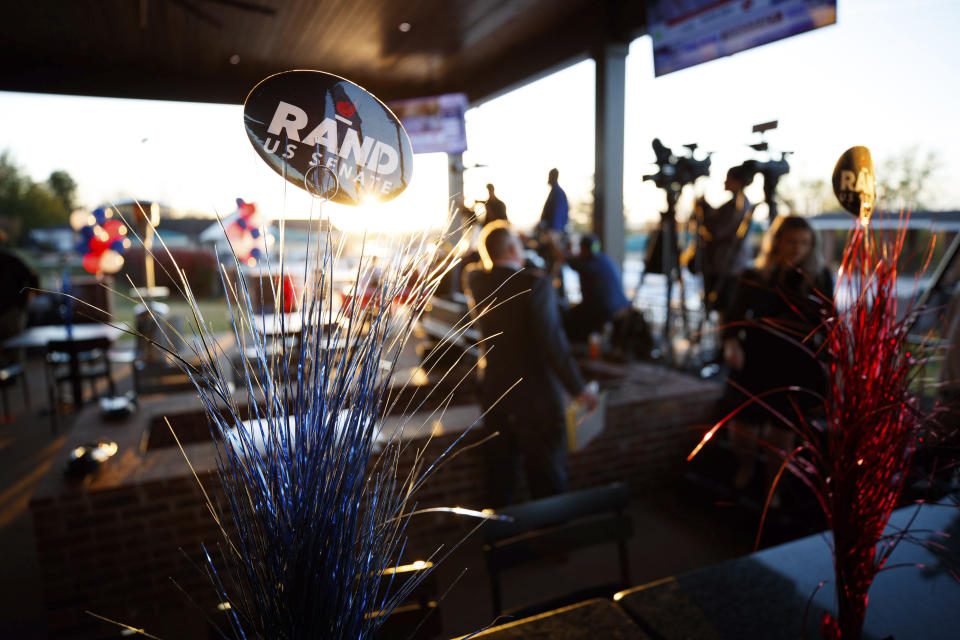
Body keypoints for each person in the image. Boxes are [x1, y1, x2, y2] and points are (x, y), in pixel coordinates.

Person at [464, 222, 597, 507]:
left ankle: (502, 546)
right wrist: (578, 389)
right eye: (519, 245)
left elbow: (475, 266)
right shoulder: (535, 284)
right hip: (536, 400)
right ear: (513, 249)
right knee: (547, 478)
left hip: (495, 395)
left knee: (500, 482)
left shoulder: (476, 281)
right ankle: (551, 545)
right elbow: (553, 344)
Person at [720, 216, 834, 497]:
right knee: (743, 427)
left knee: (783, 432)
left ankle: (774, 484)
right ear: (778, 242)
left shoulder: (819, 278)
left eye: (805, 243)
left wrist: (834, 363)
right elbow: (733, 317)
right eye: (792, 241)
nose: (798, 249)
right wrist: (731, 343)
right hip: (756, 360)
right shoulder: (755, 276)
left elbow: (830, 324)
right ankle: (745, 467)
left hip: (797, 365)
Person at [697, 164, 755, 314]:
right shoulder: (741, 204)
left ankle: (722, 336)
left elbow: (716, 230)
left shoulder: (736, 206)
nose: (724, 182)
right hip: (730, 264)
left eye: (728, 179)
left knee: (724, 309)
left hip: (725, 266)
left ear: (737, 181)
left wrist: (703, 209)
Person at [564, 234, 630, 343]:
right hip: (620, 305)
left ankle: (579, 349)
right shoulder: (604, 259)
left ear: (583, 249)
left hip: (603, 310)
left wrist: (552, 241)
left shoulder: (585, 263)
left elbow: (565, 258)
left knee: (569, 320)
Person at [0, 230, 39, 344]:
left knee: (15, 343)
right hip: (14, 309)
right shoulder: (12, 260)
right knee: (16, 345)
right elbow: (32, 277)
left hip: (12, 310)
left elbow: (32, 278)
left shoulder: (11, 260)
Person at [539, 168, 569, 236]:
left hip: (554, 232)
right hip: (553, 230)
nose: (548, 179)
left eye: (549, 176)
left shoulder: (558, 193)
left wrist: (552, 231)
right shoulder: (555, 192)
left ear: (554, 177)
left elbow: (557, 214)